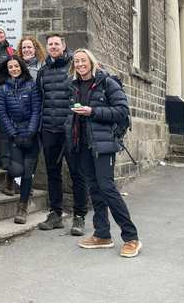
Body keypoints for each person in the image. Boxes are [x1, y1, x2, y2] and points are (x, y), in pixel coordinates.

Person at [67, 48, 141, 258]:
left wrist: (93, 111)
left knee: (107, 189)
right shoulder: (73, 86)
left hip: (103, 145)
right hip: (83, 145)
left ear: (91, 62)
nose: (80, 64)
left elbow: (121, 111)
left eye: (83, 60)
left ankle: (131, 237)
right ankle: (102, 234)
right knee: (95, 189)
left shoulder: (107, 82)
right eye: (77, 61)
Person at [36, 34, 88, 235]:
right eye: (50, 44)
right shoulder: (43, 70)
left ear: (64, 46)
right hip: (49, 129)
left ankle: (79, 216)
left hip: (71, 129)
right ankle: (55, 214)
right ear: (47, 48)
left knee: (77, 173)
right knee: (52, 173)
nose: (53, 47)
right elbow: (41, 99)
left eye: (57, 44)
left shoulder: (74, 67)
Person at [0, 56, 41, 224]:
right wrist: (14, 134)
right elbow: (2, 113)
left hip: (30, 134)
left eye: (16, 66)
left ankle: (22, 207)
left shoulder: (31, 85)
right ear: (7, 70)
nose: (14, 69)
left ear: (21, 67)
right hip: (14, 135)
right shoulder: (2, 89)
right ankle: (11, 178)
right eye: (10, 67)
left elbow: (36, 110)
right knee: (17, 170)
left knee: (28, 172)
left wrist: (30, 133)